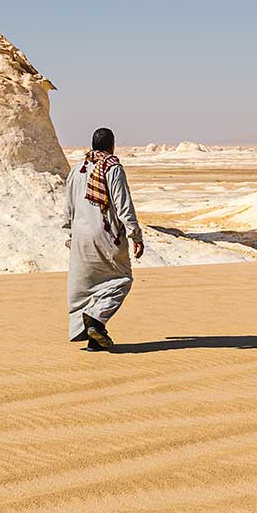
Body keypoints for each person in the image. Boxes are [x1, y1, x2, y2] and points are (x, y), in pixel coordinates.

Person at [64, 127, 144, 351]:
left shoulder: (78, 169)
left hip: (80, 237)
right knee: (121, 279)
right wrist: (135, 234)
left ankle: (93, 340)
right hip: (106, 236)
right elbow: (123, 204)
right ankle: (97, 322)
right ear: (112, 145)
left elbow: (67, 206)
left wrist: (68, 233)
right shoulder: (112, 168)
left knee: (86, 286)